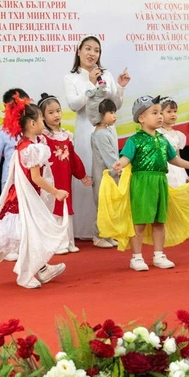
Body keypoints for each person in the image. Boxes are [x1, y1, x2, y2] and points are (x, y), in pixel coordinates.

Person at [103, 96, 189, 271]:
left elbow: (174, 159)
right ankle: (136, 257)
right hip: (141, 183)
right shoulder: (135, 140)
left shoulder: (163, 140)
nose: (160, 116)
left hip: (161, 181)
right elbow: (126, 157)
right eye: (155, 113)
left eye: (161, 112)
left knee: (159, 221)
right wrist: (119, 164)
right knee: (139, 222)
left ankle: (159, 255)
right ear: (141, 118)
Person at [0, 98, 69, 289]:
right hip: (24, 198)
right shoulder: (32, 149)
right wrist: (56, 192)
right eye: (40, 120)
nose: (42, 123)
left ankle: (42, 268)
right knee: (31, 234)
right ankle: (25, 275)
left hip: (20, 196)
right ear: (32, 123)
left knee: (33, 233)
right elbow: (36, 178)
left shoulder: (23, 144)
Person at [62, 36, 131, 244]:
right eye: (88, 49)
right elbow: (75, 105)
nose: (92, 54)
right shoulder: (71, 77)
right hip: (86, 130)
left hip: (108, 129)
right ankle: (88, 228)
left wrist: (119, 86)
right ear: (79, 51)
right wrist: (90, 85)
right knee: (90, 175)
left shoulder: (106, 74)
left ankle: (108, 228)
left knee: (109, 175)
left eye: (97, 50)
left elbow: (115, 104)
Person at [39, 93, 91, 254]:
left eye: (58, 111)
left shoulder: (66, 136)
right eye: (51, 112)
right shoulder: (43, 138)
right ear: (42, 116)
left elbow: (73, 158)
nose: (56, 115)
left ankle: (68, 241)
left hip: (65, 178)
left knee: (66, 205)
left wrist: (81, 175)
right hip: (50, 179)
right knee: (53, 206)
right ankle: (56, 243)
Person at [0, 88, 30, 197]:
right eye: (14, 107)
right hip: (11, 176)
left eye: (24, 107)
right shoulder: (2, 132)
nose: (20, 111)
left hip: (31, 176)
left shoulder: (33, 127)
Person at [90, 98, 121, 245]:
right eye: (111, 112)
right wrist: (120, 168)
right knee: (103, 204)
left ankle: (106, 233)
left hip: (108, 173)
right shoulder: (101, 134)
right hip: (104, 174)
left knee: (108, 205)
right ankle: (98, 235)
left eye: (115, 112)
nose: (114, 116)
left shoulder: (105, 131)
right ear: (101, 114)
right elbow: (110, 158)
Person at [157, 99, 188, 189]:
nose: (173, 114)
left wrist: (185, 176)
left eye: (175, 111)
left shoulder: (178, 134)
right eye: (169, 112)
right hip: (165, 170)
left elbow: (178, 156)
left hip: (178, 169)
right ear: (160, 114)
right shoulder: (157, 133)